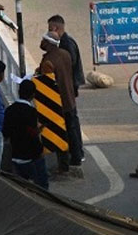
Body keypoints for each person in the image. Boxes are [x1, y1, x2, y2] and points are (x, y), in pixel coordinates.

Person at [48, 15, 85, 169]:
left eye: (50, 28)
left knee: (71, 123)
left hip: (68, 88)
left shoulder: (65, 44)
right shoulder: (67, 42)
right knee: (72, 121)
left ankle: (76, 154)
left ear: (55, 28)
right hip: (69, 88)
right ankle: (77, 152)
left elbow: (69, 65)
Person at [38, 33, 77, 173]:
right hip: (69, 98)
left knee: (59, 134)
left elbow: (46, 82)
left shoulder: (48, 61)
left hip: (57, 102)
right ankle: (76, 157)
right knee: (71, 130)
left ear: (48, 43)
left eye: (43, 40)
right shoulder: (65, 54)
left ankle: (63, 165)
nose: (41, 43)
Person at [3, 79, 48, 189]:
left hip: (15, 155)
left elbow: (6, 132)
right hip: (31, 156)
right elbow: (32, 135)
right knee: (41, 187)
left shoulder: (9, 110)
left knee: (20, 188)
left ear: (19, 92)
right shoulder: (31, 111)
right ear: (33, 95)